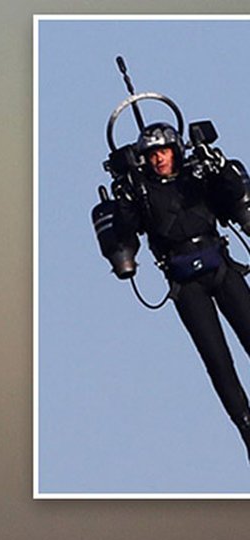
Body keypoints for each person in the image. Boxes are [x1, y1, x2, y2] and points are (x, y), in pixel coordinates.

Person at [113, 121, 250, 461]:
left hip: (221, 268)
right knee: (218, 360)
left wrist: (217, 165)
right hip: (186, 285)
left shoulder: (198, 178)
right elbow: (125, 228)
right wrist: (125, 196)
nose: (159, 159)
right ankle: (246, 426)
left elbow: (232, 193)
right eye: (152, 154)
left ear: (175, 151)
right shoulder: (141, 194)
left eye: (164, 151)